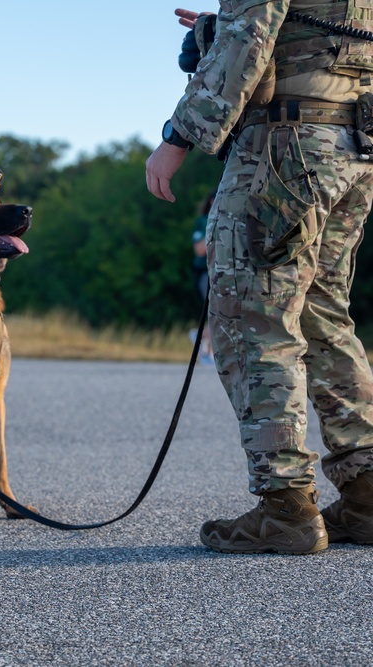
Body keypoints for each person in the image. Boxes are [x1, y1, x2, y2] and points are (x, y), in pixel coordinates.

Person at [146, 5, 373, 554]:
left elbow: (249, 37)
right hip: (355, 148)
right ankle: (367, 495)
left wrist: (177, 138)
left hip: (285, 148)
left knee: (254, 316)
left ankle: (286, 506)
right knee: (322, 316)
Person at [190, 190, 214, 365]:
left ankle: (204, 343)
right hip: (205, 272)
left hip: (223, 271)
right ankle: (207, 348)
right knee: (214, 310)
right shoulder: (203, 221)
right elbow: (199, 250)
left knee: (221, 312)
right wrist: (215, 230)